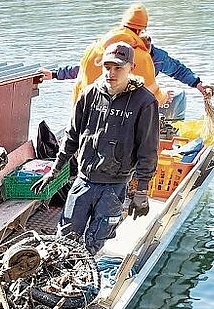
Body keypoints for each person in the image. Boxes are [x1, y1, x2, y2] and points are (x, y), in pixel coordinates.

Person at [33, 42, 159, 255]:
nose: (111, 73)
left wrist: (142, 191)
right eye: (107, 67)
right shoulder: (89, 94)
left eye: (118, 67)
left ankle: (84, 280)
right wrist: (54, 170)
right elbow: (71, 136)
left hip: (114, 186)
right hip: (83, 181)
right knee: (64, 240)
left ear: (131, 67)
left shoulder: (144, 102)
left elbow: (148, 150)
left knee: (93, 243)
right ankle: (62, 280)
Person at [39, 32, 214, 120]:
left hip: (142, 102)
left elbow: (178, 70)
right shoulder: (117, 56)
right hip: (116, 103)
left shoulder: (158, 58)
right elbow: (83, 69)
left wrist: (199, 84)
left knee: (177, 97)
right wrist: (54, 74)